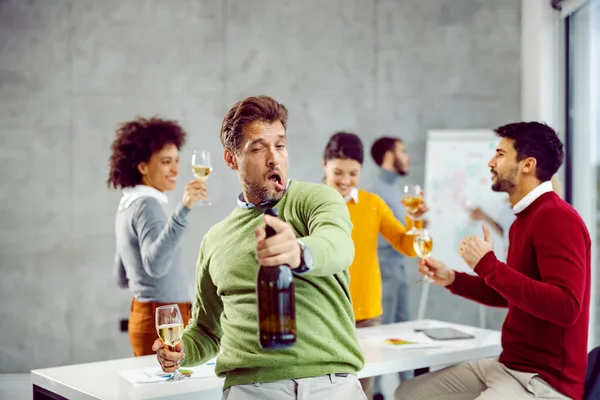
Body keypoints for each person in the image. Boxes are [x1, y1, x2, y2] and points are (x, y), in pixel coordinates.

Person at [152, 96, 367, 399]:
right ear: (230, 159)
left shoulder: (317, 200)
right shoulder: (215, 240)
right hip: (251, 390)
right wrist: (179, 350)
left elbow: (339, 245)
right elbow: (205, 331)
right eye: (258, 147)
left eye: (279, 145)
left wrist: (299, 253)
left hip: (331, 384)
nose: (274, 158)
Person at [396, 122, 591, 400]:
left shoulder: (558, 219)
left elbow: (566, 306)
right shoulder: (523, 219)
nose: (491, 162)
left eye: (500, 154)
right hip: (508, 366)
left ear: (527, 165)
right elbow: (514, 294)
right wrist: (454, 278)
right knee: (409, 394)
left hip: (542, 381)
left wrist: (488, 265)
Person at [322, 132, 427, 400]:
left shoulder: (372, 204)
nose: (346, 181)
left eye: (353, 173)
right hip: (323, 313)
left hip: (367, 314)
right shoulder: (309, 202)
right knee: (324, 388)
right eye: (338, 173)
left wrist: (416, 221)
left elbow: (406, 245)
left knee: (363, 391)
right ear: (325, 165)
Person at [107, 116, 208, 356]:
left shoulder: (128, 204)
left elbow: (121, 277)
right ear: (142, 167)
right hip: (163, 320)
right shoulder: (147, 205)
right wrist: (184, 208)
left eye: (176, 161)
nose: (176, 169)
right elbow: (155, 265)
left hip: (144, 316)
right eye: (166, 162)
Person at [369, 137, 415, 400]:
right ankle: (376, 393)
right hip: (385, 270)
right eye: (403, 150)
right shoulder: (376, 192)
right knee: (383, 331)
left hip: (398, 269)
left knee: (404, 329)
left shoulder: (397, 192)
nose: (407, 157)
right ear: (389, 155)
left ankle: (408, 391)